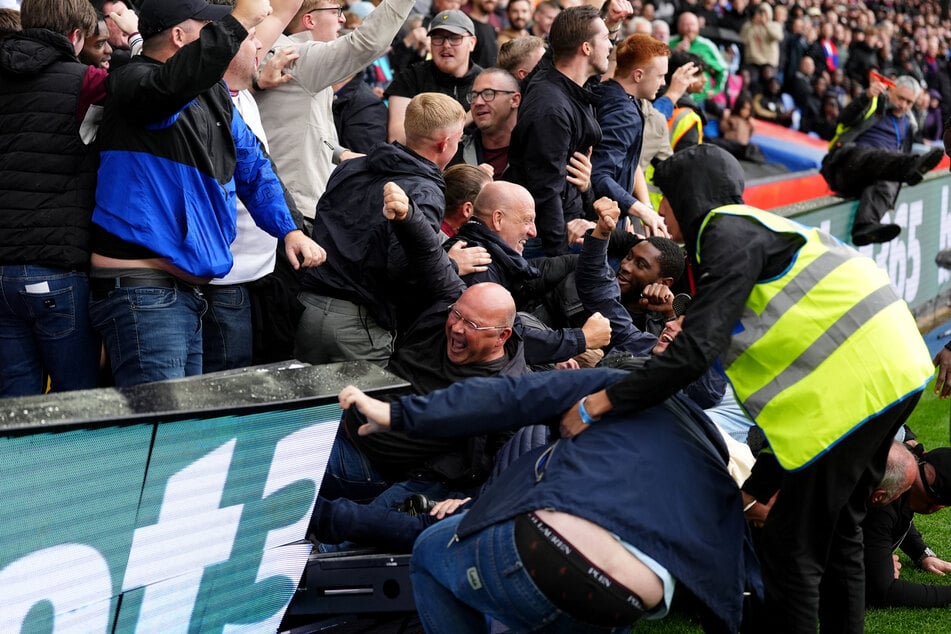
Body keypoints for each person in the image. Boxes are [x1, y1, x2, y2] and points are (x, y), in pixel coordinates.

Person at [562, 143, 935, 632]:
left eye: (665, 197)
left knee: (791, 544)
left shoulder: (725, 230)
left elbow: (694, 349)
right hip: (895, 373)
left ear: (689, 195)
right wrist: (756, 488)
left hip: (861, 384)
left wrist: (599, 403)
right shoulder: (748, 230)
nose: (661, 210)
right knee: (841, 530)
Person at [339, 368, 760, 632]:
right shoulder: (714, 469)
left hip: (545, 552)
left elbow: (510, 396)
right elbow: (741, 580)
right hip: (623, 603)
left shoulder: (615, 385)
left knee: (431, 551)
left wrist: (398, 414)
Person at [89, 0, 325, 388]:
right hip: (142, 292)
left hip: (184, 294)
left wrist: (290, 230)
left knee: (181, 434)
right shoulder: (134, 81)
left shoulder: (212, 93)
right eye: (211, 29)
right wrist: (240, 19)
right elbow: (169, 88)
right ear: (180, 37)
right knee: (158, 432)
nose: (227, 40)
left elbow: (254, 167)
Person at [295, 92, 465, 366]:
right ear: (445, 143)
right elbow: (407, 269)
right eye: (459, 140)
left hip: (308, 310)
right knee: (364, 409)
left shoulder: (350, 168)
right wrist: (451, 263)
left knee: (312, 408)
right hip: (360, 326)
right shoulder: (425, 191)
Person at [0, 0, 106, 397]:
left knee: (16, 412)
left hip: (2, 270)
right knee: (75, 406)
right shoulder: (88, 82)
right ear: (77, 37)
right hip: (55, 269)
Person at [255, 0, 416, 232]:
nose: (342, 19)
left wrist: (340, 154)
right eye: (335, 12)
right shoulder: (294, 55)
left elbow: (298, 125)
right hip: (290, 211)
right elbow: (366, 44)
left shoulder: (286, 55)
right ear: (309, 20)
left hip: (285, 204)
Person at [505, 4, 621, 256]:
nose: (612, 45)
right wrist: (560, 260)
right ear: (586, 48)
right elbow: (546, 193)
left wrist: (610, 24)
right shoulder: (551, 109)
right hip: (549, 240)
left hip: (570, 220)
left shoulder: (567, 82)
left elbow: (563, 42)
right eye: (605, 39)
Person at [820, 74, 944, 246]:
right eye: (901, 98)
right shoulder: (875, 104)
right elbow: (844, 118)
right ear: (891, 90)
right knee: (877, 158)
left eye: (909, 103)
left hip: (874, 174)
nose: (903, 105)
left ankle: (865, 226)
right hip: (845, 164)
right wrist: (865, 97)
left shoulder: (909, 125)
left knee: (888, 176)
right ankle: (911, 166)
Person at [591, 33, 670, 237]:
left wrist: (632, 210)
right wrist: (640, 210)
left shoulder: (608, 91)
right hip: (600, 219)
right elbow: (599, 173)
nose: (663, 83)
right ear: (638, 75)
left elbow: (627, 160)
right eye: (660, 76)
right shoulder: (624, 113)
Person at [864, 444, 951, 608]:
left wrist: (922, 553)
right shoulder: (883, 503)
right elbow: (883, 591)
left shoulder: (897, 486)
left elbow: (901, 518)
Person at [385, 9, 482, 145]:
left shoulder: (485, 83)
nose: (446, 45)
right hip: (420, 164)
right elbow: (397, 138)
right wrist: (465, 120)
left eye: (455, 38)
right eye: (438, 38)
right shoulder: (411, 77)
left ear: (472, 43)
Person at [669, 11, 726, 104]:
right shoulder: (670, 42)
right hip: (675, 96)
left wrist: (716, 90)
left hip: (700, 97)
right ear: (678, 26)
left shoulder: (707, 45)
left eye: (692, 25)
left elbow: (723, 69)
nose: (690, 29)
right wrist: (674, 51)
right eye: (686, 25)